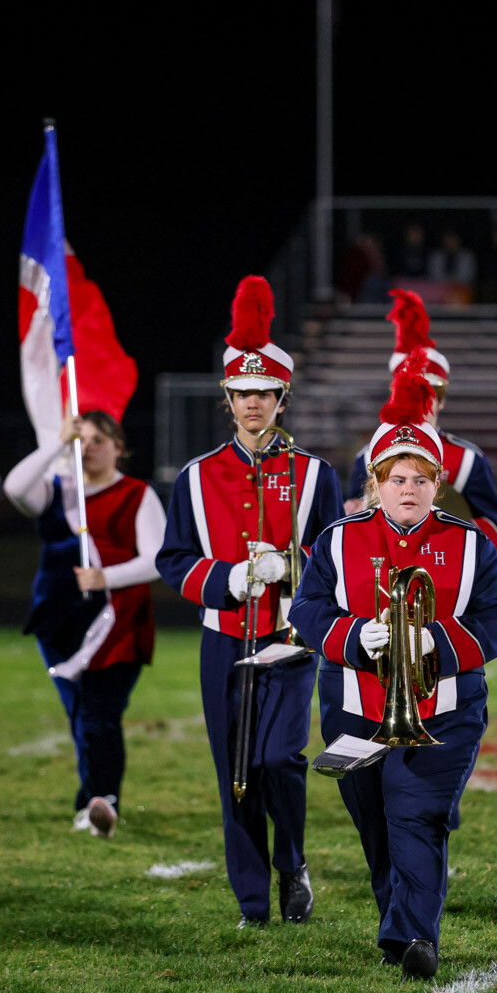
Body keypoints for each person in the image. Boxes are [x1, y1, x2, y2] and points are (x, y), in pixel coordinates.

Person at [289, 349, 497, 980]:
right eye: (396, 478)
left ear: (437, 485)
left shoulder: (469, 544)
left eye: (420, 479)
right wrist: (360, 637)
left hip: (444, 711)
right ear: (374, 483)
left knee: (417, 814)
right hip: (355, 710)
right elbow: (306, 610)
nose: (407, 489)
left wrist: (432, 645)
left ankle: (416, 936)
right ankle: (399, 923)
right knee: (377, 829)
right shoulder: (338, 538)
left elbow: (495, 621)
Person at [156, 275, 344, 928]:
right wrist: (229, 580)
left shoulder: (315, 473)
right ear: (227, 398)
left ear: (281, 397)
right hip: (222, 638)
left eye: (264, 393)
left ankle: (291, 863)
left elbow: (335, 559)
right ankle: (251, 903)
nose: (253, 403)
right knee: (232, 773)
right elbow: (172, 560)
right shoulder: (196, 475)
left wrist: (292, 570)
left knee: (277, 760)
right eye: (242, 393)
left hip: (289, 641)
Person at [3, 409, 166, 838]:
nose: (89, 448)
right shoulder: (59, 491)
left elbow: (157, 559)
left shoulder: (136, 493)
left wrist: (105, 577)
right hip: (60, 621)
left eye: (99, 440)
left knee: (100, 714)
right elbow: (14, 487)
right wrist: (57, 442)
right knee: (80, 713)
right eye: (82, 440)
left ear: (118, 447)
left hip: (117, 623)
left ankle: (103, 802)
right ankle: (90, 799)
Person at [345, 289, 497, 551]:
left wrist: (461, 541)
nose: (417, 403)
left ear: (442, 400)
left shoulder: (467, 459)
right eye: (408, 393)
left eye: (427, 394)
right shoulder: (366, 456)